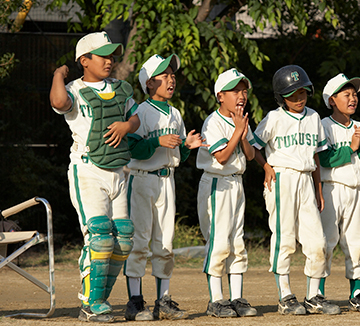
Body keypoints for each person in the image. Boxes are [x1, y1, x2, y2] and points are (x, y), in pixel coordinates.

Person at [49, 31, 140, 323]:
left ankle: (100, 298)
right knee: (100, 235)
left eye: (112, 55)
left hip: (117, 170)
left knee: (123, 239)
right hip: (88, 169)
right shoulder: (73, 89)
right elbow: (60, 103)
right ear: (84, 60)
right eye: (103, 55)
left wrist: (127, 126)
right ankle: (90, 302)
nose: (110, 60)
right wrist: (58, 75)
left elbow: (135, 116)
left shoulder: (121, 88)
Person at [123, 54, 207, 321]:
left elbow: (178, 156)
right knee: (139, 242)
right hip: (142, 179)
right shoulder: (141, 111)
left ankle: (163, 301)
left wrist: (186, 147)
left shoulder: (175, 113)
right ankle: (135, 302)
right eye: (164, 75)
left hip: (166, 180)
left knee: (165, 243)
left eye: (172, 74)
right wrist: (159, 141)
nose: (171, 79)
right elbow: (133, 149)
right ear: (149, 83)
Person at [253, 65, 340, 316]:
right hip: (282, 178)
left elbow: (315, 156)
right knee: (284, 238)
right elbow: (254, 146)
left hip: (305, 180)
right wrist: (266, 166)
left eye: (302, 92)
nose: (299, 98)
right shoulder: (274, 118)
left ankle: (313, 296)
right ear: (281, 97)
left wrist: (318, 188)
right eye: (292, 94)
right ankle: (285, 296)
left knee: (317, 241)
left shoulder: (313, 117)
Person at [196, 68, 258, 318]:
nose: (241, 95)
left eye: (243, 90)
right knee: (219, 241)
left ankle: (236, 298)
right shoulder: (213, 121)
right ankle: (216, 299)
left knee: (237, 242)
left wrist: (242, 131)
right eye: (234, 91)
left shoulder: (241, 119)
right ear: (220, 96)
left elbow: (251, 155)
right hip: (216, 183)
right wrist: (236, 131)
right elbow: (221, 157)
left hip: (236, 183)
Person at [318, 73, 360, 313]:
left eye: (354, 94)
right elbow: (324, 158)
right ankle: (317, 292)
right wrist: (351, 147)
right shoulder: (323, 125)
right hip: (330, 189)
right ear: (332, 100)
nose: (352, 98)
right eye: (346, 94)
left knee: (354, 243)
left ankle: (356, 293)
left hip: (355, 190)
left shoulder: (359, 127)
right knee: (326, 242)